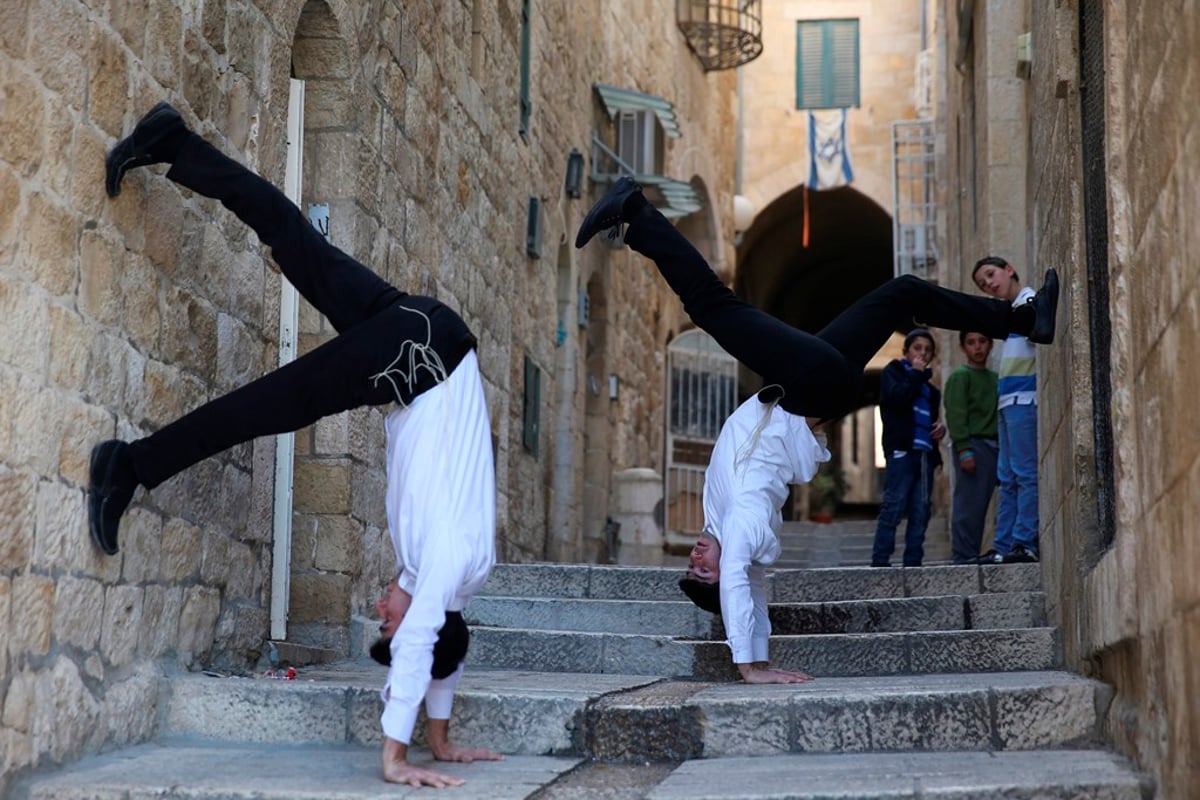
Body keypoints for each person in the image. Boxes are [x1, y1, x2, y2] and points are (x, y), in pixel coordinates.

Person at [92, 102, 502, 787]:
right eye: (391, 628)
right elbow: (430, 644)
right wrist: (398, 757)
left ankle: (173, 142)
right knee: (269, 405)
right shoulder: (446, 567)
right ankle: (129, 466)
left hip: (430, 335)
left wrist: (444, 738)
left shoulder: (455, 574)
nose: (383, 616)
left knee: (293, 240)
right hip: (417, 360)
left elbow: (442, 651)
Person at [575, 177, 1058, 683]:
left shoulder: (721, 522)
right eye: (703, 570)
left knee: (903, 293)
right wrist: (749, 666)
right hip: (810, 388)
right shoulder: (741, 524)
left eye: (691, 566)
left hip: (812, 386)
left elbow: (752, 587)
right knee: (712, 306)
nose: (695, 558)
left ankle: (1025, 319)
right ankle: (634, 209)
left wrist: (760, 647)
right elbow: (740, 584)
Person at [970, 256, 1045, 564]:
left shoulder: (1029, 303)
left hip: (1024, 401)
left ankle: (1024, 543)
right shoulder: (1007, 315)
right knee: (1007, 477)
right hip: (1007, 403)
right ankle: (1003, 546)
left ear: (1009, 269)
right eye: (982, 283)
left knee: (1025, 474)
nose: (989, 283)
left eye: (991, 274)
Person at [870, 329, 946, 568]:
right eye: (917, 348)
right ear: (906, 351)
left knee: (921, 509)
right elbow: (898, 398)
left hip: (924, 454)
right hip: (902, 451)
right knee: (894, 505)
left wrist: (939, 429)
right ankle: (881, 561)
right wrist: (914, 374)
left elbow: (930, 419)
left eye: (927, 350)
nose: (922, 353)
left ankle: (913, 561)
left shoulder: (931, 390)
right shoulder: (893, 373)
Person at [942, 331, 1000, 564]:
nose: (978, 348)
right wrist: (964, 448)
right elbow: (956, 414)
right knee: (969, 504)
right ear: (963, 347)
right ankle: (963, 556)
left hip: (996, 447)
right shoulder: (960, 377)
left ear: (991, 344)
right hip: (973, 446)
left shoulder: (995, 378)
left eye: (983, 341)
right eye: (971, 343)